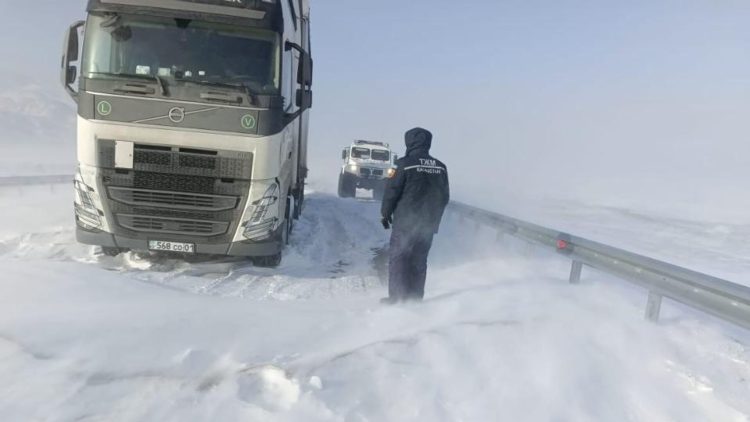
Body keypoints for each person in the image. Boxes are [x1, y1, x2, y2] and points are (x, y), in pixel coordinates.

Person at [380, 127, 450, 303]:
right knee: (419, 260)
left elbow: (392, 192)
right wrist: (434, 218)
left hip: (405, 222)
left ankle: (397, 299)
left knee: (399, 258)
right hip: (428, 224)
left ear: (409, 142)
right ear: (428, 143)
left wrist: (385, 214)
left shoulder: (403, 164)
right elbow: (445, 197)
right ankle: (415, 299)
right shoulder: (441, 167)